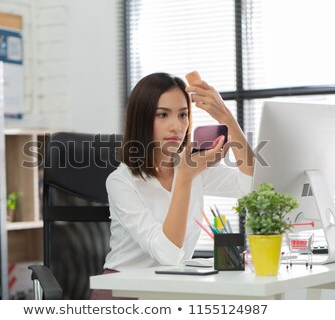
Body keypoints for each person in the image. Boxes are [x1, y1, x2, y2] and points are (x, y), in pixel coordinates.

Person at [90, 72, 254, 299]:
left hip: (172, 288)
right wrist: (185, 178)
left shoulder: (191, 166)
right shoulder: (121, 182)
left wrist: (227, 118)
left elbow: (251, 186)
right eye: (163, 115)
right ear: (143, 119)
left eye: (183, 115)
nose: (176, 126)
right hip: (124, 290)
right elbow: (167, 254)